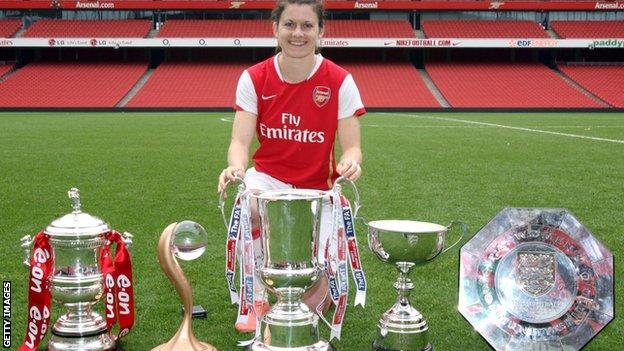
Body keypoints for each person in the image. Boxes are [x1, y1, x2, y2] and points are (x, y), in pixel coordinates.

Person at [217, 0, 365, 332]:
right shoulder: (254, 77)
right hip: (270, 178)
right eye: (289, 24)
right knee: (247, 202)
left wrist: (350, 162)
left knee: (312, 305)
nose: (297, 33)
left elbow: (352, 146)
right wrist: (236, 169)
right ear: (275, 28)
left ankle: (318, 293)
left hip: (318, 187)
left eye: (307, 25)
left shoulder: (340, 81)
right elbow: (240, 142)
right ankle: (254, 299)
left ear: (321, 31)